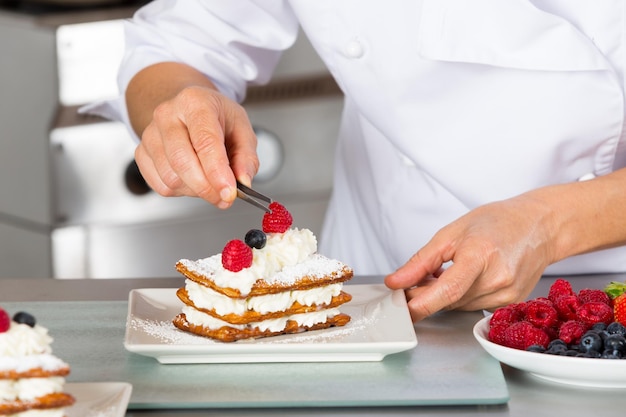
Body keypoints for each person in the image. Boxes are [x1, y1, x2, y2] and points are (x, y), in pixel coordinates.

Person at [90, 0, 626, 322]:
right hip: (373, 295)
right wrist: (182, 103)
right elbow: (178, 40)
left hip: (607, 295)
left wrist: (551, 224)